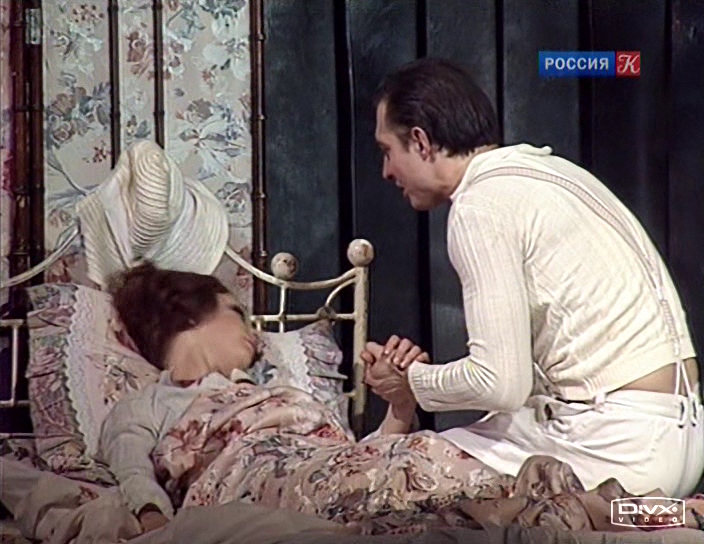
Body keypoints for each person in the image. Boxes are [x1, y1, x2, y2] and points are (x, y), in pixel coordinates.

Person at [361, 57, 704, 498]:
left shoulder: (480, 205)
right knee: (468, 442)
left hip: (615, 450)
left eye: (387, 151)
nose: (386, 171)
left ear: (420, 141)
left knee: (394, 477)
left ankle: (633, 514)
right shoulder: (551, 172)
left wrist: (412, 382)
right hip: (681, 439)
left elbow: (499, 383)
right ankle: (664, 513)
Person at [97, 262, 494, 535]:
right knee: (416, 479)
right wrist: (154, 522)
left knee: (427, 456)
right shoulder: (149, 404)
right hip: (254, 483)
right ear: (188, 314)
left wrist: (400, 402)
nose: (255, 334)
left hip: (328, 471)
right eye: (237, 313)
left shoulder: (271, 391)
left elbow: (351, 457)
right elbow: (132, 471)